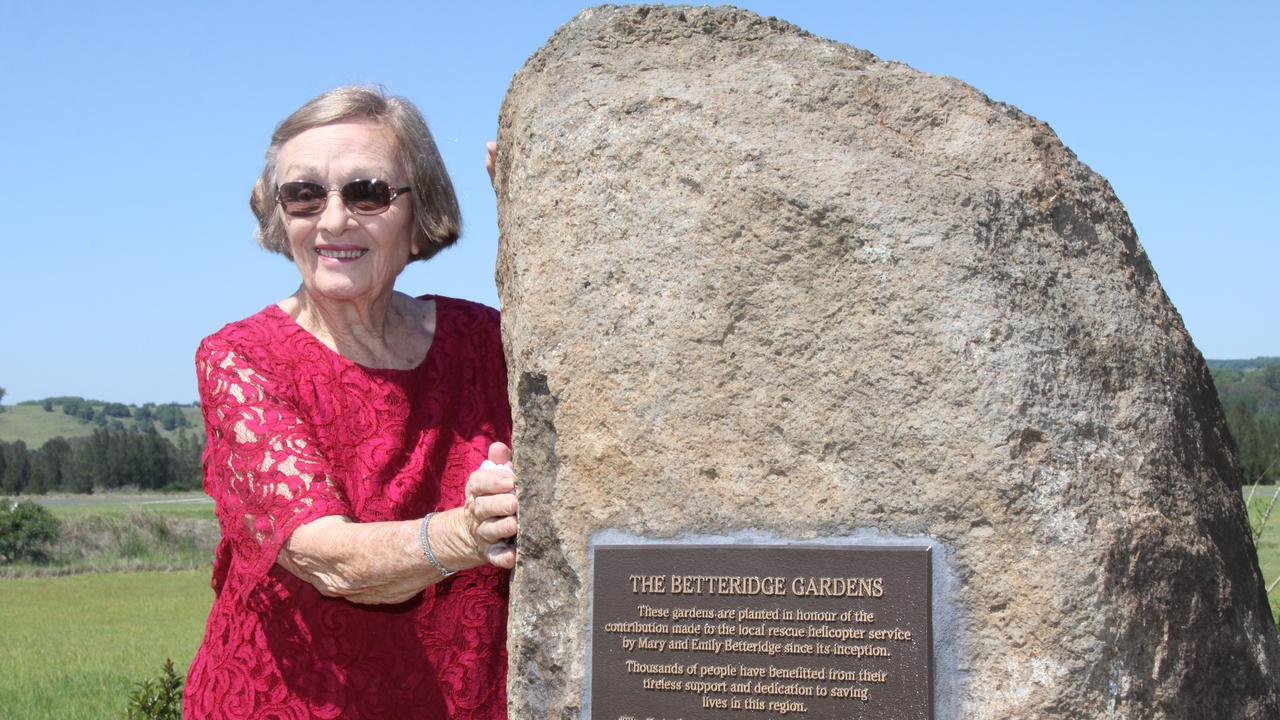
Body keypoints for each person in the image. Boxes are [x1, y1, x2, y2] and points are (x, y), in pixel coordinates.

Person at [182, 86, 518, 719]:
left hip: (465, 698)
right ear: (280, 216)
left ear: (420, 209)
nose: (333, 219)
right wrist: (469, 533)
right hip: (292, 703)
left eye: (367, 192)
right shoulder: (241, 356)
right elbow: (328, 559)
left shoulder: (483, 339)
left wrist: (541, 217)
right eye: (304, 194)